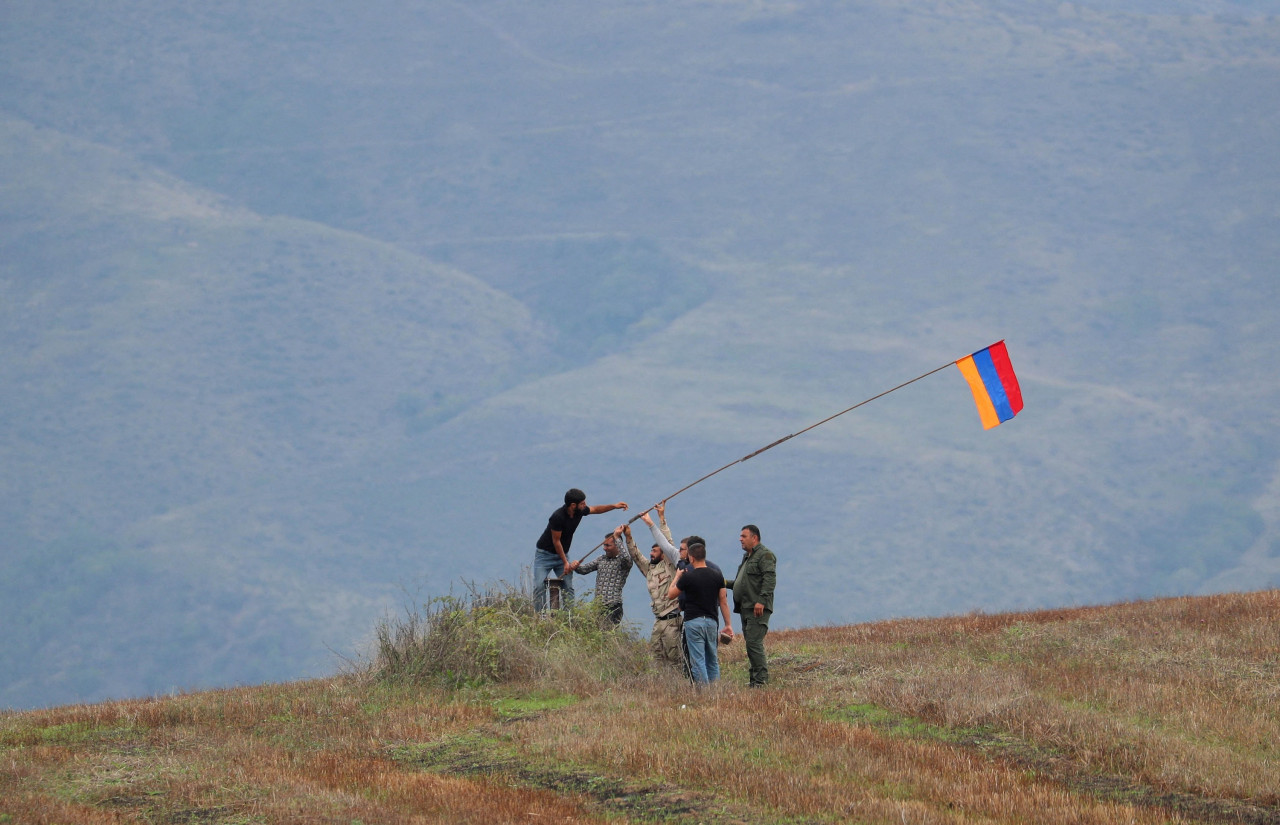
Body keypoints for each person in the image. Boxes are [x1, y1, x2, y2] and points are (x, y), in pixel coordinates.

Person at [533, 488, 627, 611]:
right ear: (573, 505)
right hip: (544, 556)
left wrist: (614, 506)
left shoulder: (580, 511)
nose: (585, 505)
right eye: (582, 503)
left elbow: (596, 509)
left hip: (562, 555)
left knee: (568, 586)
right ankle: (540, 616)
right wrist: (566, 562)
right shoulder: (557, 517)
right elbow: (557, 542)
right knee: (539, 586)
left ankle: (569, 617)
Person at [667, 539, 733, 685]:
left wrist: (677, 576)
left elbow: (671, 594)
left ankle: (704, 694)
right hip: (711, 621)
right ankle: (715, 692)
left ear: (691, 557)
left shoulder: (687, 576)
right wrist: (728, 624)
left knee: (698, 661)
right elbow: (723, 601)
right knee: (712, 660)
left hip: (693, 621)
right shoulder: (717, 576)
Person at [627, 513, 682, 668]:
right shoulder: (650, 569)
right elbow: (636, 556)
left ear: (663, 553)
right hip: (658, 621)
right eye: (651, 551)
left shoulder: (670, 566)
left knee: (675, 658)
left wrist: (661, 520)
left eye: (655, 551)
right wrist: (629, 537)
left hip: (672, 619)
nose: (651, 554)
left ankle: (680, 687)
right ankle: (662, 688)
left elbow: (668, 543)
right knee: (657, 657)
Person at [727, 524, 776, 687]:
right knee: (750, 644)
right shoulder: (747, 557)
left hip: (757, 608)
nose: (740, 539)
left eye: (744, 536)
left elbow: (769, 580)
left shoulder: (765, 555)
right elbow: (741, 583)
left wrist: (761, 601)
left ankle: (761, 681)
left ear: (754, 538)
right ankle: (754, 680)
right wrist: (722, 582)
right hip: (745, 607)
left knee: (754, 643)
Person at [575, 526, 634, 627]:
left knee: (608, 633)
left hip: (613, 606)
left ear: (617, 546)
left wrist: (616, 537)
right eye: (604, 545)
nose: (604, 548)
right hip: (598, 606)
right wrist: (574, 566)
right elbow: (584, 570)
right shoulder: (601, 559)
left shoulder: (623, 562)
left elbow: (627, 557)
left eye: (608, 545)